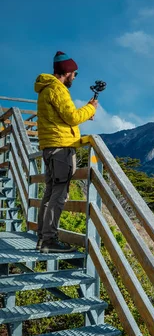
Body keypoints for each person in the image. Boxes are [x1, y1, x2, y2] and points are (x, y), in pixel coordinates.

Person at [34, 51, 97, 253]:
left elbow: (63, 117)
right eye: (75, 73)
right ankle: (49, 241)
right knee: (59, 195)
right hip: (61, 149)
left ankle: (42, 238)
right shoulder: (57, 89)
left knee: (51, 192)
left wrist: (85, 113)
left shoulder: (45, 89)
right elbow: (71, 117)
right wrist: (90, 108)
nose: (75, 77)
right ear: (67, 71)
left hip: (50, 147)